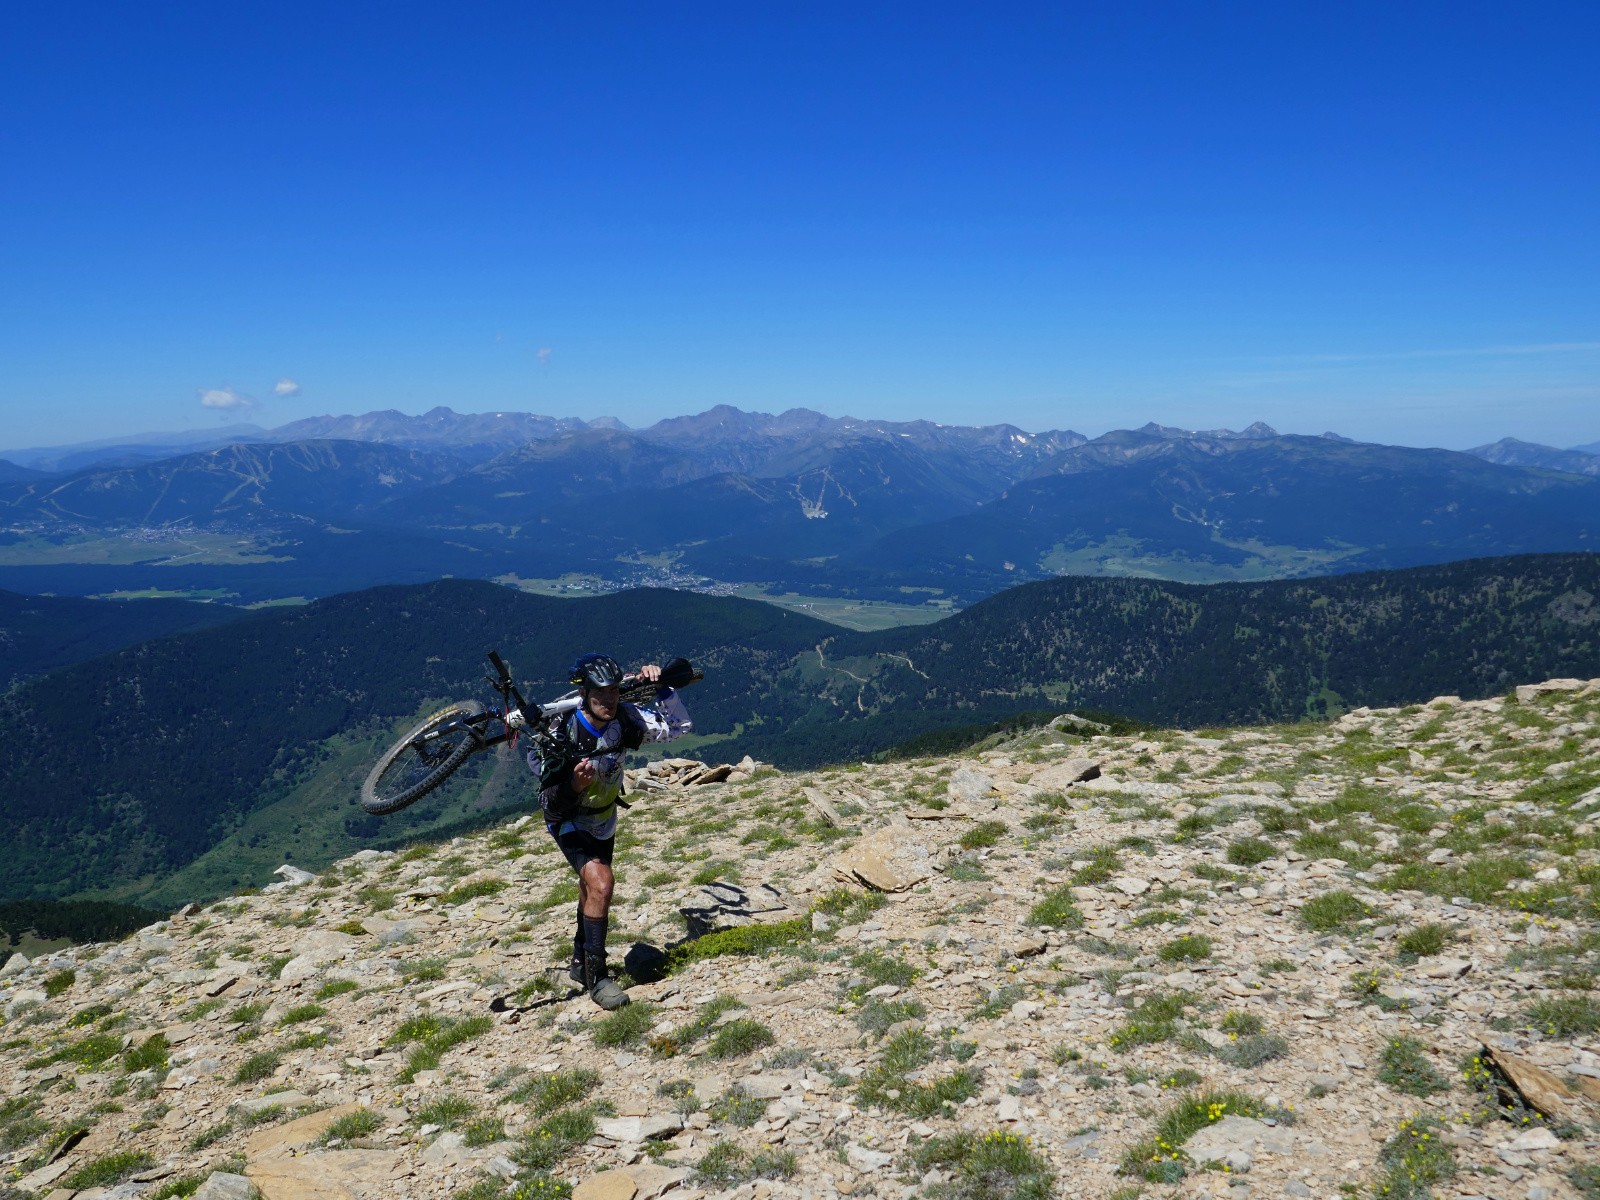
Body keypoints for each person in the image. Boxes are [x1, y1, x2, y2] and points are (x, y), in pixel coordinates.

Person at [529, 652, 692, 1009]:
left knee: (592, 885)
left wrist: (663, 687)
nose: (608, 700)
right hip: (566, 816)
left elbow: (678, 727)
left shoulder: (627, 718)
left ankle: (579, 961)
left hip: (604, 819)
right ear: (584, 693)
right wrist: (573, 785)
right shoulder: (560, 728)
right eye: (600, 693)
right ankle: (598, 978)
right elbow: (550, 798)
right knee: (602, 882)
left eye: (614, 692)